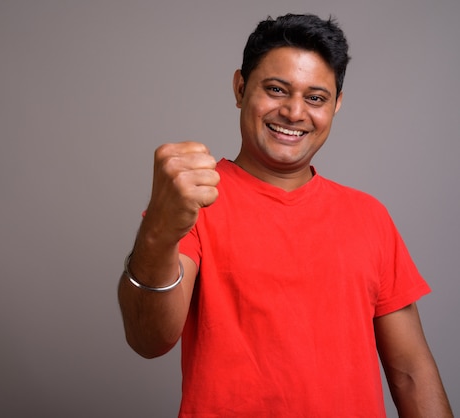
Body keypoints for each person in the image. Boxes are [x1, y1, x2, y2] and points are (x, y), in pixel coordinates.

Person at [117, 13, 453, 417]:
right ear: (240, 88)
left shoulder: (369, 216)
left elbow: (412, 373)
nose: (295, 112)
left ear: (336, 105)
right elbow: (148, 339)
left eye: (316, 97)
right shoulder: (194, 203)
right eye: (276, 90)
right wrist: (158, 232)